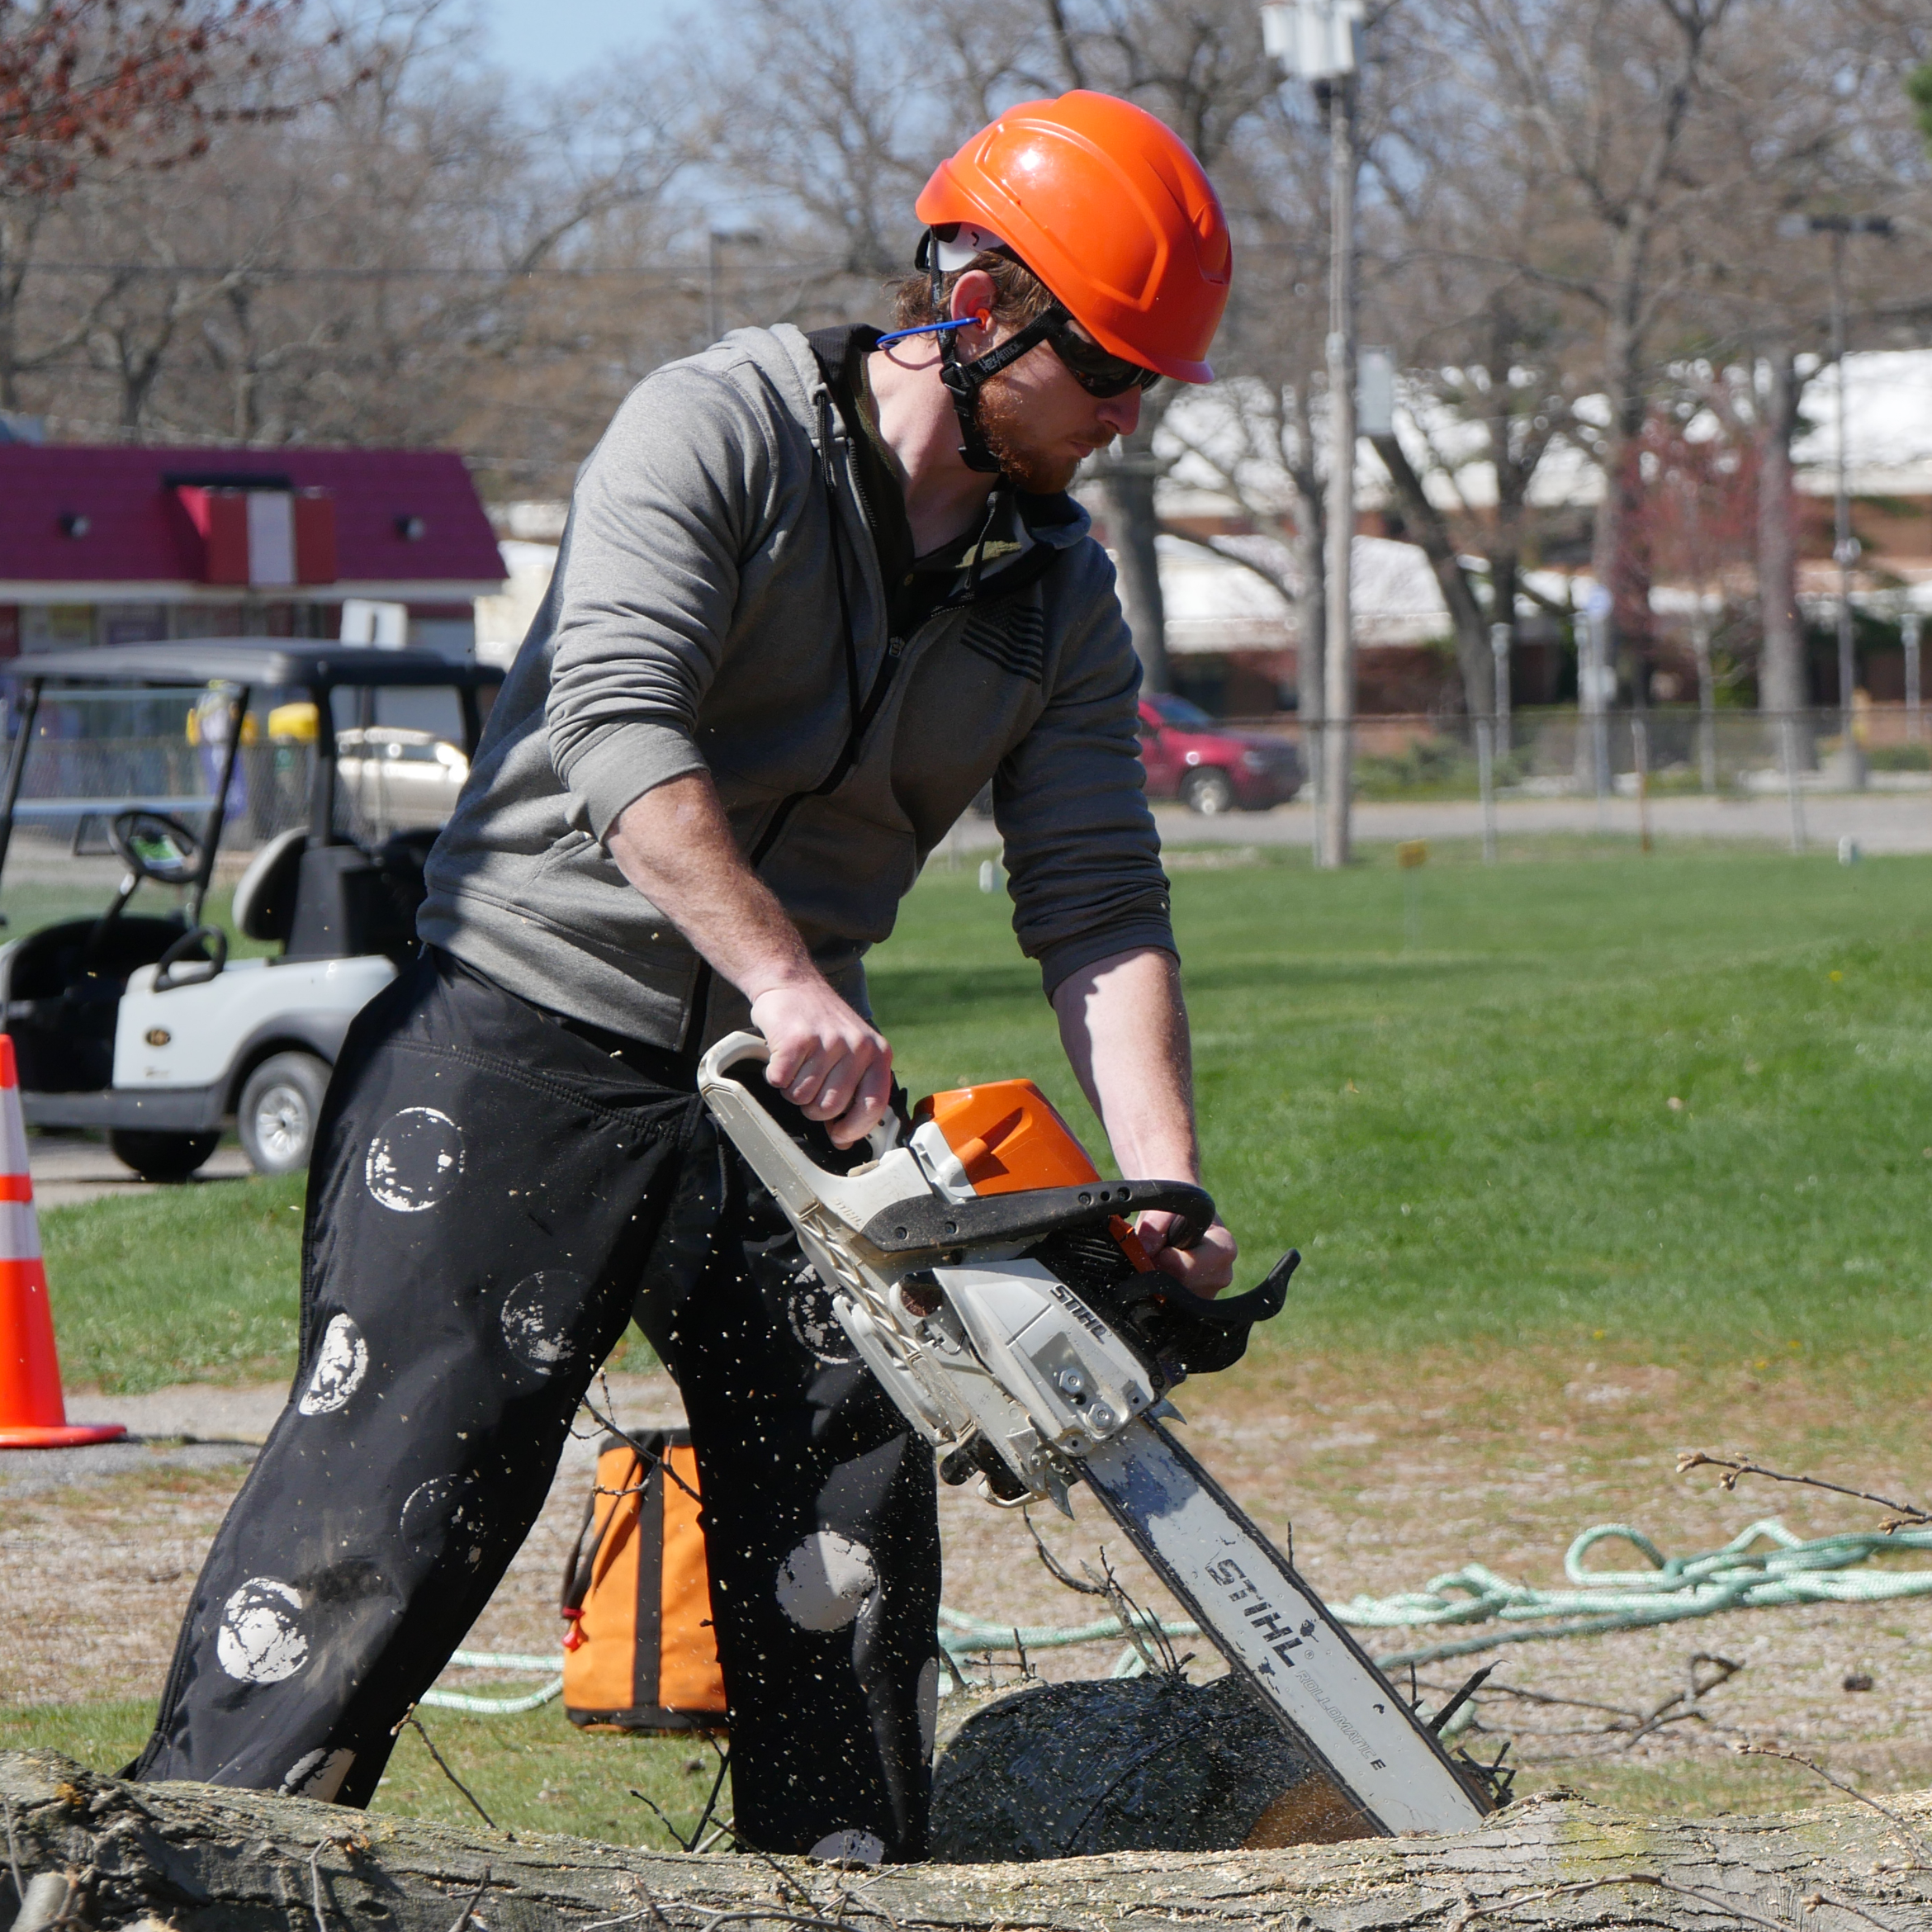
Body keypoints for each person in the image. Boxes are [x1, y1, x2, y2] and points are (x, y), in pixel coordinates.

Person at [135, 89, 1236, 1863]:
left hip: (785, 1101)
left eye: (1147, 382)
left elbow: (1097, 897)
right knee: (391, 1512)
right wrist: (787, 979)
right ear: (978, 302)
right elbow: (620, 730)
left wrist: (1165, 1178)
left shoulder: (1056, 597)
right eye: (1109, 371)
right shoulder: (715, 430)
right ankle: (180, 1879)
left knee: (849, 1515)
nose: (1129, 416)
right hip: (515, 1039)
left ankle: (837, 1893)